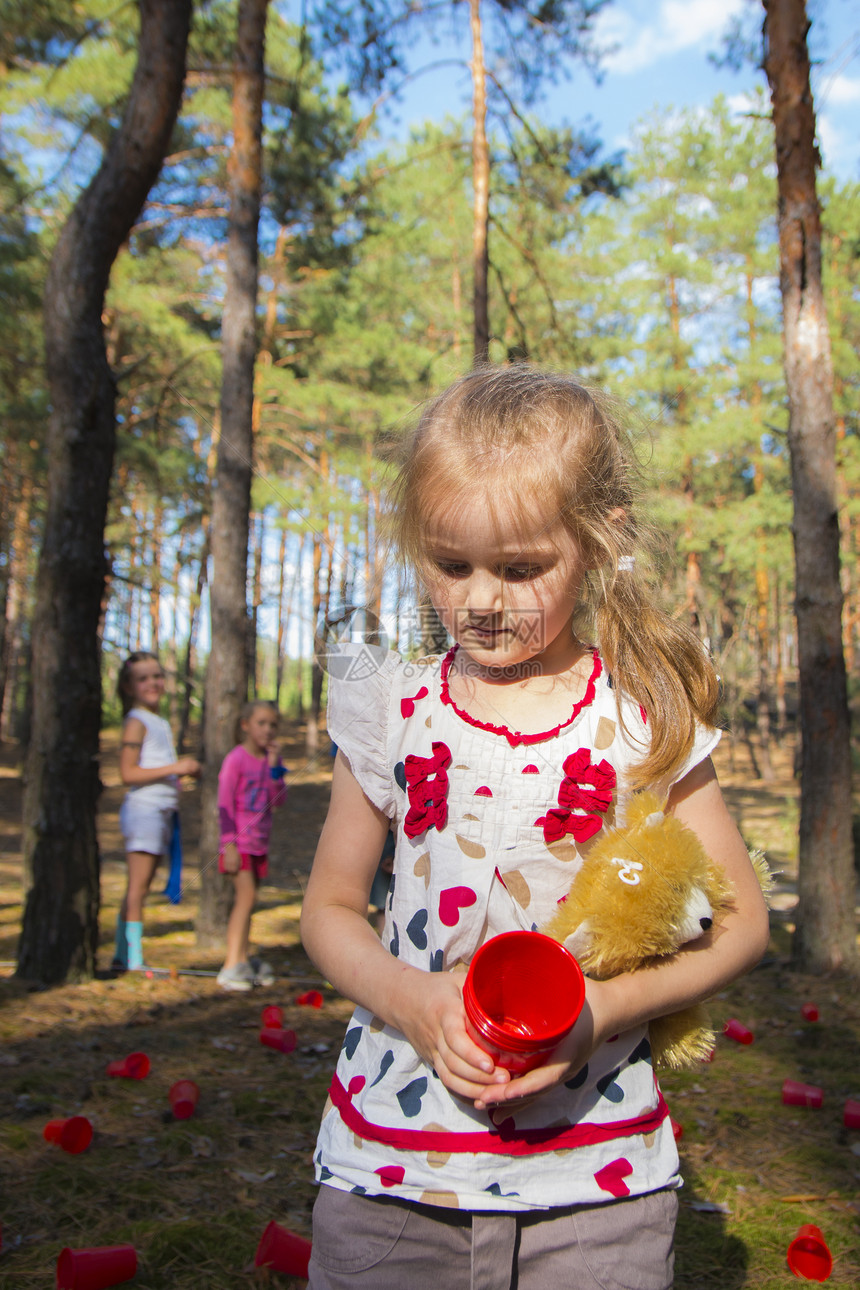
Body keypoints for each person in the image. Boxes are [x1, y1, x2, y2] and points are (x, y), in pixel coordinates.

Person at [299, 365, 771, 1289]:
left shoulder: (644, 718)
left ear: (598, 542)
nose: (481, 599)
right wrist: (414, 1004)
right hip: (395, 1167)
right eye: (451, 563)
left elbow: (745, 923)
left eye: (521, 570)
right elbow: (329, 907)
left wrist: (603, 1014)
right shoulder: (391, 709)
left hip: (596, 1179)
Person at [114, 652, 201, 972]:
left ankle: (123, 953)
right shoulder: (136, 721)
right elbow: (127, 773)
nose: (152, 683)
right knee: (138, 886)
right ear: (128, 686)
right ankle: (132, 959)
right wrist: (178, 767)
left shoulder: (158, 721)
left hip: (161, 812)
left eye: (156, 676)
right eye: (143, 678)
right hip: (144, 811)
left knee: (140, 885)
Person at [216, 700, 288, 990]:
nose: (268, 730)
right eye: (261, 723)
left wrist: (274, 769)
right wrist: (228, 844)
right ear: (245, 725)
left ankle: (242, 959)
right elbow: (224, 803)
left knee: (250, 900)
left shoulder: (271, 761)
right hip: (239, 843)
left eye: (272, 725)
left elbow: (279, 800)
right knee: (245, 899)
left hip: (260, 842)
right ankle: (230, 964)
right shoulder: (236, 759)